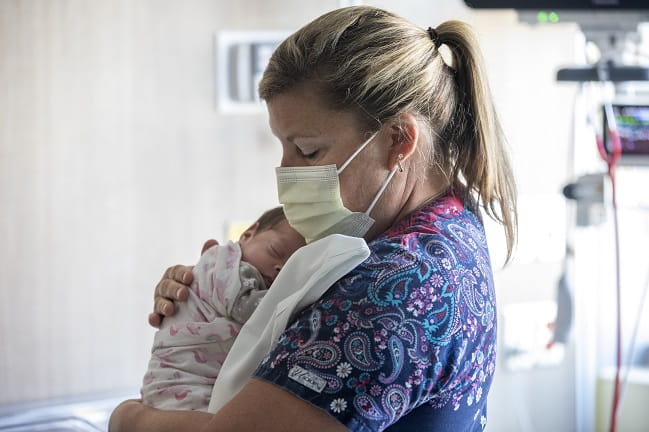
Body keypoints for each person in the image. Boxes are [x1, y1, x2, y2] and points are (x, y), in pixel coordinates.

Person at [109, 5, 517, 432]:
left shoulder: (391, 293)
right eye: (283, 149)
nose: (287, 176)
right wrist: (208, 298)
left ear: (398, 139)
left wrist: (129, 418)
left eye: (308, 151)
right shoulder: (448, 219)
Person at [141, 206, 305, 411]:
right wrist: (296, 300)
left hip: (183, 384)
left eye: (291, 269)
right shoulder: (230, 263)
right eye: (275, 251)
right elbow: (248, 308)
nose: (281, 269)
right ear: (248, 234)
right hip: (184, 379)